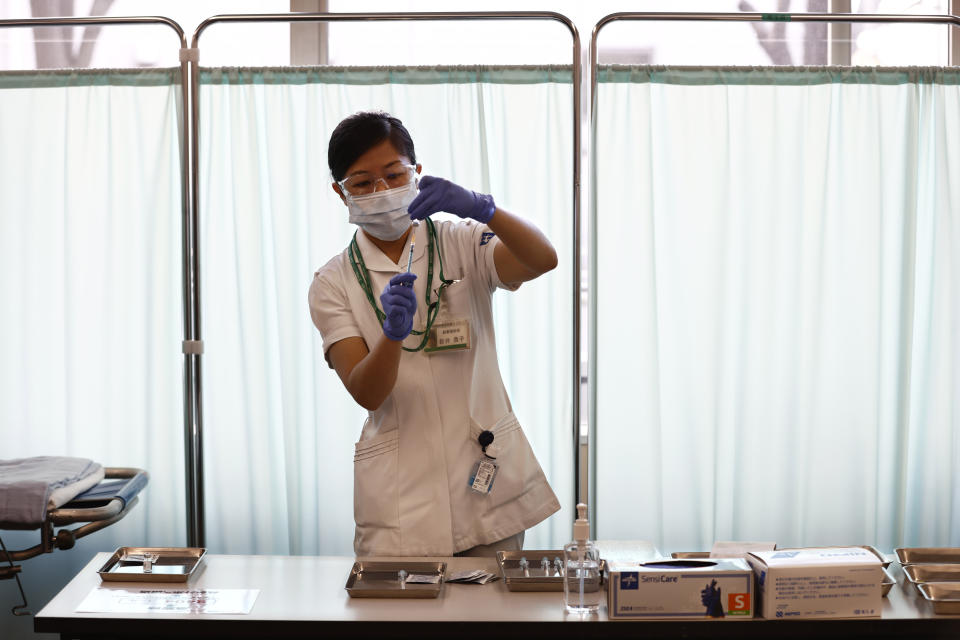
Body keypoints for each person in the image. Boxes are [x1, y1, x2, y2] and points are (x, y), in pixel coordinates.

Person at [308, 111, 560, 557]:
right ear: (340, 192)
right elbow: (366, 391)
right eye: (363, 183)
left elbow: (542, 259)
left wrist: (487, 209)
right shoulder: (333, 282)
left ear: (416, 172)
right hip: (400, 503)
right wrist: (390, 336)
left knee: (494, 621)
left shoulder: (463, 241)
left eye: (393, 174)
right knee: (404, 625)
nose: (381, 191)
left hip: (486, 483)